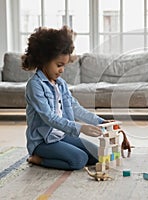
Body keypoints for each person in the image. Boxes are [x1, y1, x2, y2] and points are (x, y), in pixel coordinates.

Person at [22, 26, 111, 170]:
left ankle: (63, 152)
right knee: (79, 160)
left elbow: (75, 108)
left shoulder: (60, 84)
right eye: (59, 65)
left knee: (99, 155)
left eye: (64, 65)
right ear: (44, 60)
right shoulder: (35, 85)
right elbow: (49, 118)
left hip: (61, 136)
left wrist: (101, 122)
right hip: (43, 141)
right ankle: (37, 159)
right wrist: (80, 128)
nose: (62, 70)